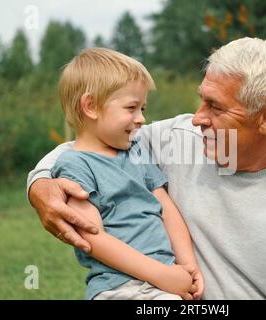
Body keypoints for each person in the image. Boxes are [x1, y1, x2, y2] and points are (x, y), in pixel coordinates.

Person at [28, 37, 266, 299]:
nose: (197, 117)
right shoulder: (178, 140)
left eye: (215, 106)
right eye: (202, 99)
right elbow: (87, 147)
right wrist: (40, 185)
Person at [43, 47, 203, 300]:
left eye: (143, 109)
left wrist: (188, 266)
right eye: (131, 108)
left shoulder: (135, 150)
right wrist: (160, 274)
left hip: (162, 281)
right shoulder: (74, 165)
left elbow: (166, 209)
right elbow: (92, 238)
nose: (141, 119)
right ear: (91, 106)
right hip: (122, 287)